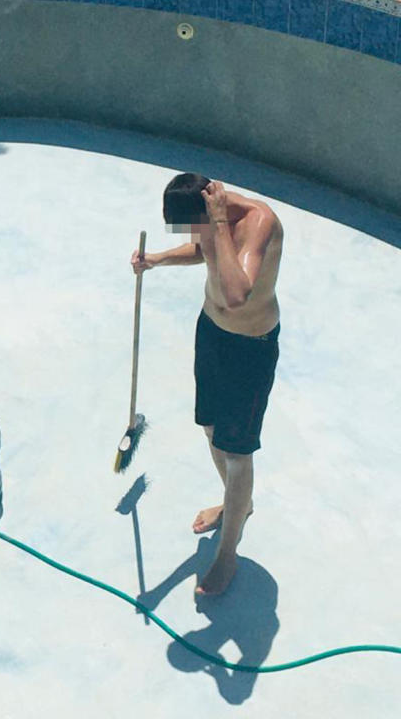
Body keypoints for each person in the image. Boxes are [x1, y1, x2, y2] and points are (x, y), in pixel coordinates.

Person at [130, 173, 283, 596]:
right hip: (212, 334)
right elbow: (204, 251)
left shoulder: (258, 222)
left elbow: (237, 293)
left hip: (249, 349)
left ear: (209, 211)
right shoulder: (209, 222)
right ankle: (238, 504)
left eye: (197, 226)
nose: (195, 237)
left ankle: (228, 553)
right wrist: (157, 259)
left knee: (237, 453)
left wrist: (217, 225)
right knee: (212, 431)